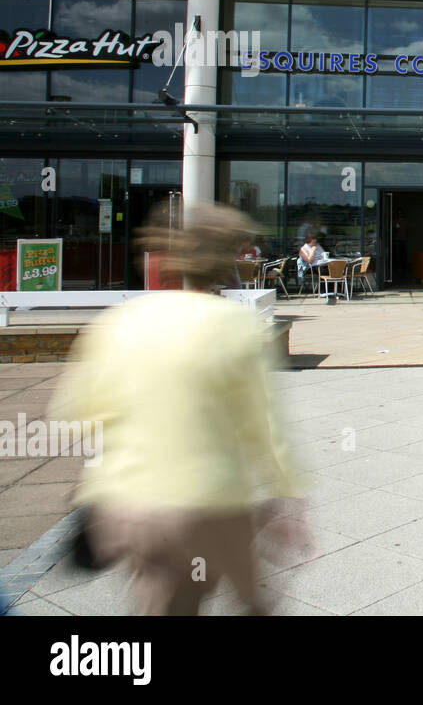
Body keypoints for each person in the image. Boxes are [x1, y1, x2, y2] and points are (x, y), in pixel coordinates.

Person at [49, 202, 308, 615]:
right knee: (255, 602)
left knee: (164, 606)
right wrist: (288, 496)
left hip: (128, 509)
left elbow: (71, 413)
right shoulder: (235, 326)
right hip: (210, 503)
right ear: (225, 261)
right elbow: (265, 427)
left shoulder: (120, 321)